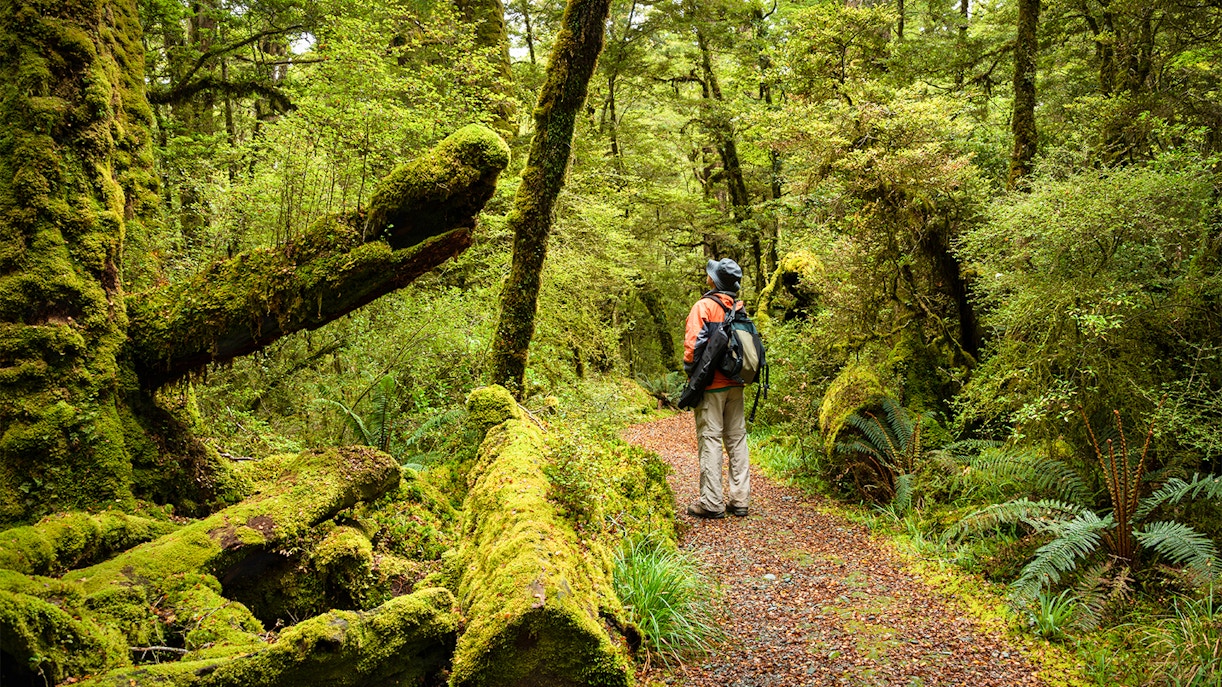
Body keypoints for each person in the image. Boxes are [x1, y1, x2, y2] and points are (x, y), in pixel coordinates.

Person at [683, 258, 750, 519]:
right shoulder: (739, 308)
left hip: (711, 387)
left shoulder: (704, 307)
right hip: (737, 383)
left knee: (710, 440)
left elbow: (691, 349)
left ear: (715, 281)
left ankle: (711, 502)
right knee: (737, 440)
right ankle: (739, 500)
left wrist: (693, 377)